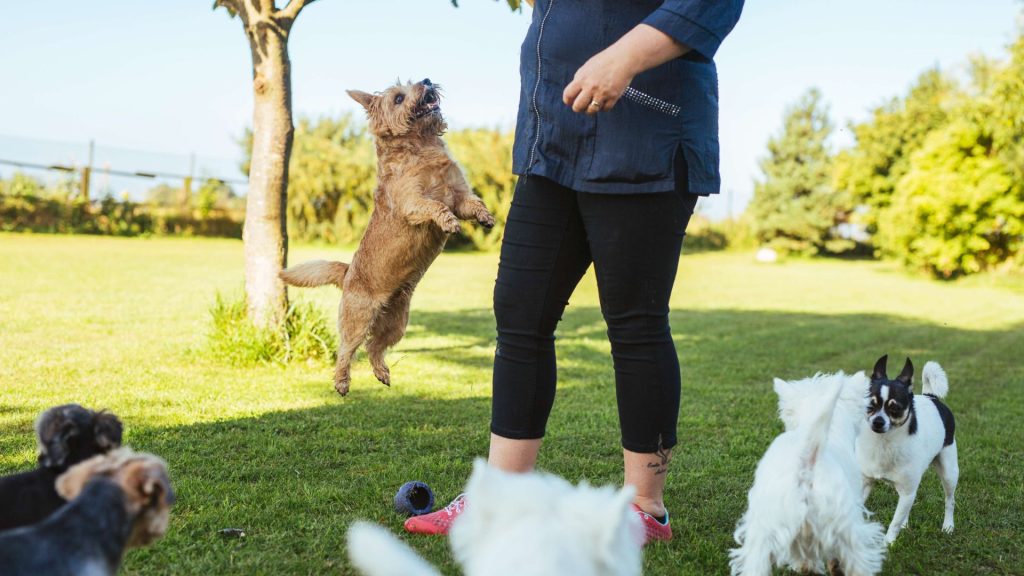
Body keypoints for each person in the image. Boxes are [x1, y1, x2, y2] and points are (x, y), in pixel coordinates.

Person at [406, 0, 744, 544]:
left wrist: (626, 57)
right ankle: (501, 497)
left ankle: (645, 509)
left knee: (635, 322)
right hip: (552, 138)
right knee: (520, 310)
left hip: (646, 127)